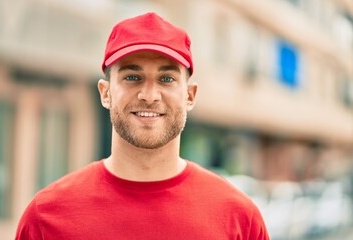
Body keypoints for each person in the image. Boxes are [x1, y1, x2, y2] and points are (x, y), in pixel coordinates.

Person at [15, 12, 270, 240]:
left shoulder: (239, 219)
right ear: (105, 93)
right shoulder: (46, 217)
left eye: (167, 78)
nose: (149, 95)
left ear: (190, 96)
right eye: (132, 77)